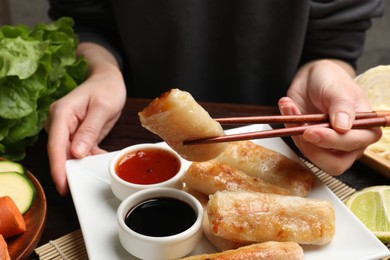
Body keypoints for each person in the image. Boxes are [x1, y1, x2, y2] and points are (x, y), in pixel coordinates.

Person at [45, 0, 384, 195]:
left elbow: (333, 41)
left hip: (288, 130)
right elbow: (86, 21)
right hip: (128, 128)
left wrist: (326, 70)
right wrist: (101, 68)